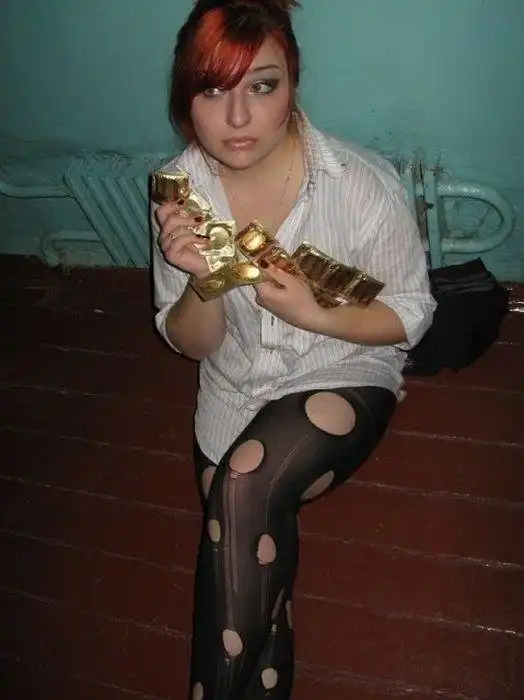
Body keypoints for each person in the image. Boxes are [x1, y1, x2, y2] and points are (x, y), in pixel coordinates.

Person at [151, 1, 436, 697]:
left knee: (243, 489)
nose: (237, 117)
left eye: (262, 85)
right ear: (186, 98)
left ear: (294, 85)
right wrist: (204, 282)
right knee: (249, 556)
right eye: (213, 90)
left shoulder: (359, 185)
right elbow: (191, 344)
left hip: (342, 373)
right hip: (234, 388)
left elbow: (412, 314)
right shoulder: (181, 194)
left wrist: (312, 311)